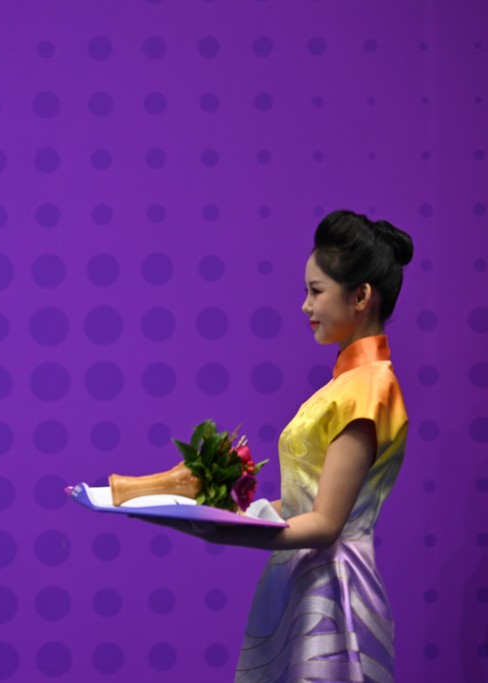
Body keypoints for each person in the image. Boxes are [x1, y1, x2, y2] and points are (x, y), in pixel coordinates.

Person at [159, 210, 413, 682]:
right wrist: (226, 513)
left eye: (316, 291)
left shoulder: (368, 388)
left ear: (361, 296)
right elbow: (307, 502)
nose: (305, 306)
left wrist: (227, 531)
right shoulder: (349, 384)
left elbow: (325, 524)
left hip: (333, 593)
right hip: (305, 580)